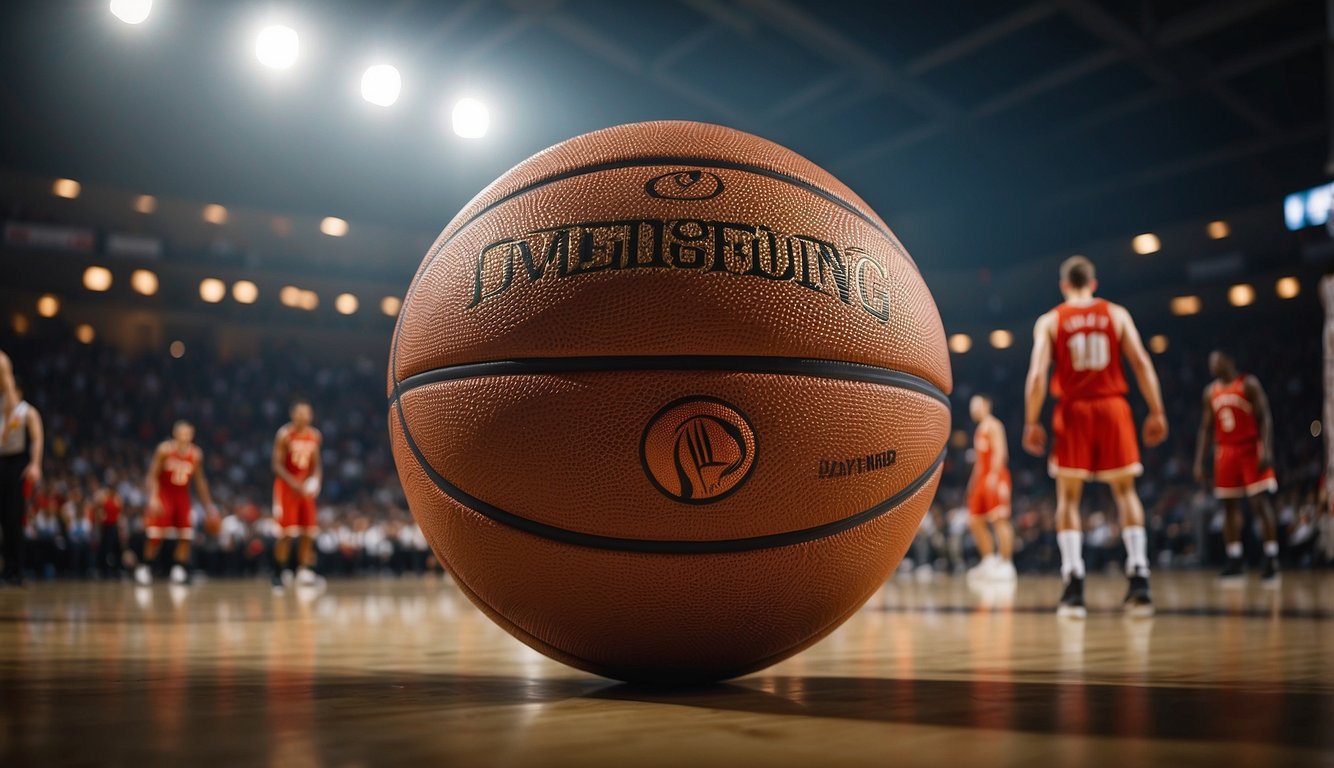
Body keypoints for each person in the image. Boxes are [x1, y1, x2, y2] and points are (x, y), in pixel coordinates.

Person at [1022, 255, 1167, 618]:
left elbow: (1038, 376)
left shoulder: (1051, 320)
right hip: (1112, 407)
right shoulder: (1116, 314)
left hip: (1074, 410)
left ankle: (1073, 585)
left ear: (1063, 285)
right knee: (1125, 492)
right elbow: (1142, 363)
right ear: (1094, 282)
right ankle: (1139, 576)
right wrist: (1157, 410)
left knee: (1068, 499)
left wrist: (1031, 421)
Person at [1192, 351, 1280, 581]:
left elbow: (1265, 417)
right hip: (1225, 451)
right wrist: (1199, 461)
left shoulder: (1248, 384)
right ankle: (1235, 559)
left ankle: (1272, 557)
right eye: (1210, 362)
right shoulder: (1210, 392)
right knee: (1229, 507)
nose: (1212, 365)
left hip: (1250, 447)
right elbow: (1206, 429)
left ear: (1229, 361)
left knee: (1259, 503)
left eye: (1217, 361)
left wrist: (1266, 448)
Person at [137, 420, 217, 585]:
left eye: (188, 434)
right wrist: (153, 497)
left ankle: (178, 568)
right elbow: (152, 475)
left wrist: (209, 506)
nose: (185, 437)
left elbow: (200, 481)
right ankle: (146, 567)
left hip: (182, 496)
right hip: (164, 494)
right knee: (155, 535)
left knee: (186, 535)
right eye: (182, 434)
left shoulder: (195, 454)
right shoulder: (164, 450)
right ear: (175, 434)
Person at [271, 399, 323, 591]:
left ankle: (303, 571)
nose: (303, 417)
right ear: (293, 415)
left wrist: (316, 480)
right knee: (286, 533)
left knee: (309, 531)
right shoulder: (285, 434)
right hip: (286, 488)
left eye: (306, 413)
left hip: (305, 489)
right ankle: (279, 572)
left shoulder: (315, 436)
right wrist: (293, 482)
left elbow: (316, 464)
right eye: (299, 413)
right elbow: (276, 464)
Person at [965, 394, 1016, 582]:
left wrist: (994, 476)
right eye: (971, 406)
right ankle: (988, 560)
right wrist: (972, 484)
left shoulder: (994, 425)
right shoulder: (979, 429)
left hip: (996, 476)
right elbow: (979, 462)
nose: (973, 409)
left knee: (999, 519)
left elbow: (1001, 452)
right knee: (975, 520)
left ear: (986, 405)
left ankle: (1006, 563)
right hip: (982, 478)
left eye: (976, 405)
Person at [0, 376, 43, 586]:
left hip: (17, 464)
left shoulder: (27, 411)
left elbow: (36, 438)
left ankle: (14, 570)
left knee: (13, 519)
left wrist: (35, 463)